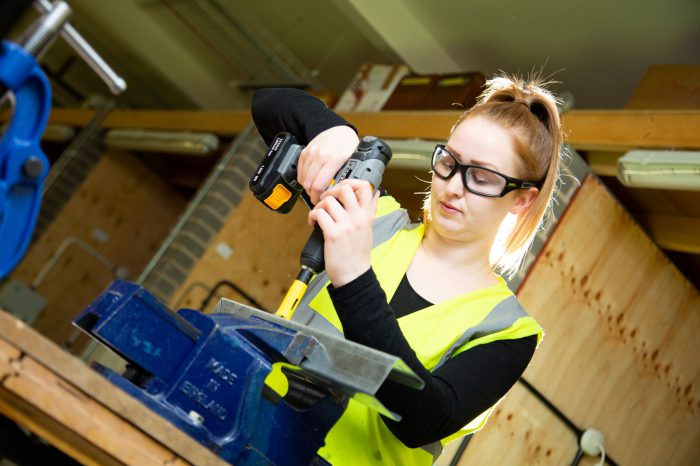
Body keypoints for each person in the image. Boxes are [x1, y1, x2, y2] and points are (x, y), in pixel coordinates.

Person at [251, 74, 562, 466]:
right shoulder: (370, 217)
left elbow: (423, 419)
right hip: (250, 428)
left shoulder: (508, 330)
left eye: (481, 177)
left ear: (522, 200)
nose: (452, 186)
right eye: (449, 162)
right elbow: (268, 101)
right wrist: (339, 135)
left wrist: (353, 280)